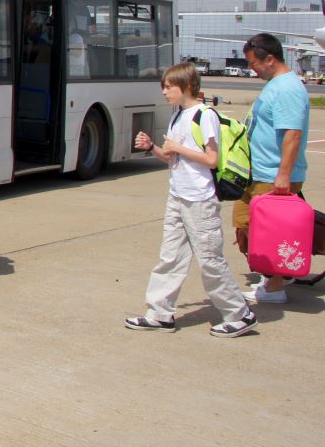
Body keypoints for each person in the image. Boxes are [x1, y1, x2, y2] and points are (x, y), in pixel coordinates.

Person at [126, 62, 257, 337]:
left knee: (210, 259)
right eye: (163, 86)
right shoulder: (177, 116)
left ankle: (240, 314)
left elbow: (212, 159)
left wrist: (178, 148)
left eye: (168, 87)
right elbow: (171, 158)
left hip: (200, 200)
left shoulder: (204, 115)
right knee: (170, 257)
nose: (164, 92)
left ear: (186, 86)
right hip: (178, 194)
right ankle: (160, 313)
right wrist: (153, 147)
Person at [237, 33, 310, 305]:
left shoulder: (287, 88)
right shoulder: (276, 84)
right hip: (261, 172)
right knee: (245, 222)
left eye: (253, 63)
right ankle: (275, 275)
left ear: (270, 59)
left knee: (267, 229)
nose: (251, 69)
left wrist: (284, 174)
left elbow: (292, 134)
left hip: (273, 175)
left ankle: (275, 283)